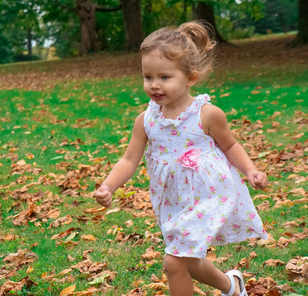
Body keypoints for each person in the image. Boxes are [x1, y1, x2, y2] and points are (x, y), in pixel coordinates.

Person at [94, 21, 268, 296]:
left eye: (164, 77)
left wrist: (250, 169)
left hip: (209, 194)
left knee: (173, 262)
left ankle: (231, 286)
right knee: (189, 262)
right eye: (147, 77)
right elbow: (129, 159)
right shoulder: (147, 120)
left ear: (190, 78)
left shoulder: (207, 114)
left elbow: (230, 145)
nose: (154, 85)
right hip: (173, 200)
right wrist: (108, 186)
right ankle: (232, 286)